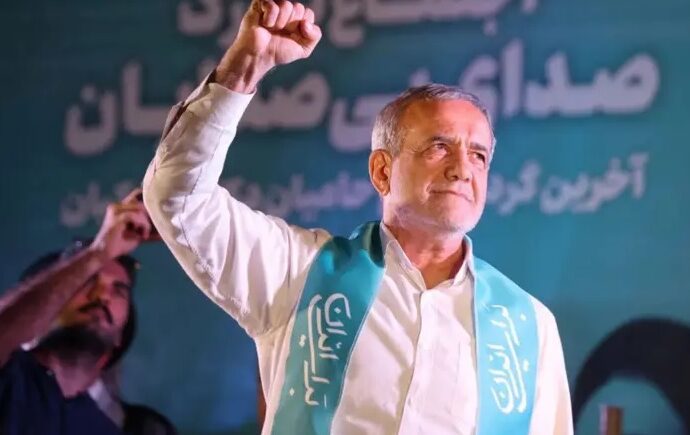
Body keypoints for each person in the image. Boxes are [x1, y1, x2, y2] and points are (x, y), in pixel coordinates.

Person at [142, 1, 574, 433]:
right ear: (383, 171)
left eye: (478, 155)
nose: (462, 169)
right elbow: (177, 198)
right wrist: (243, 68)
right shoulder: (298, 272)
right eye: (439, 147)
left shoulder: (526, 326)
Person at [0, 189, 173, 435]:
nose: (102, 295)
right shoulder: (11, 381)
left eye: (119, 291)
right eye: (87, 282)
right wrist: (100, 251)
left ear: (121, 336)